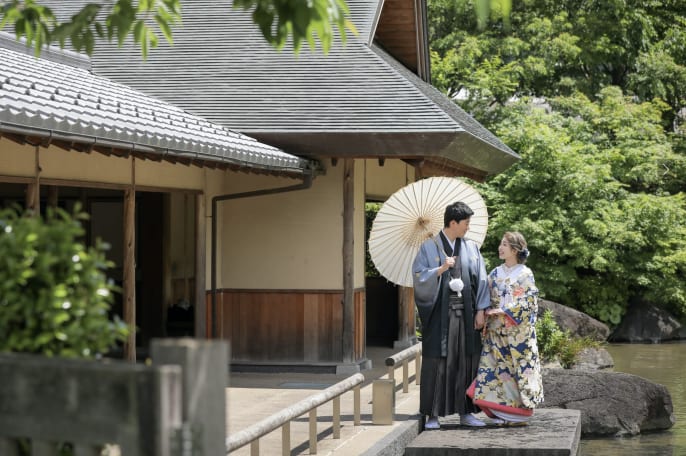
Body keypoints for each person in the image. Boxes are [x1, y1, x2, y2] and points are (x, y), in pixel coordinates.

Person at [412, 201, 490, 429]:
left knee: (467, 362)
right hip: (440, 315)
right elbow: (418, 277)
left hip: (466, 315)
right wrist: (440, 269)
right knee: (438, 362)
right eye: (466, 223)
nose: (468, 227)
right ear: (453, 222)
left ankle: (466, 413)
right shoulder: (429, 247)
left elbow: (481, 280)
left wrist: (480, 310)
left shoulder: (471, 248)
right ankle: (433, 415)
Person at [467, 231, 544, 425]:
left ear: (515, 250)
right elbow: (485, 296)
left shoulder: (525, 273)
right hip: (496, 332)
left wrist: (504, 310)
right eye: (501, 244)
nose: (500, 248)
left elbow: (529, 302)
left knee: (516, 372)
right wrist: (484, 311)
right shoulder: (495, 272)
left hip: (518, 335)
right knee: (495, 371)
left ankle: (518, 415)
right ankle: (500, 414)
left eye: (504, 244)